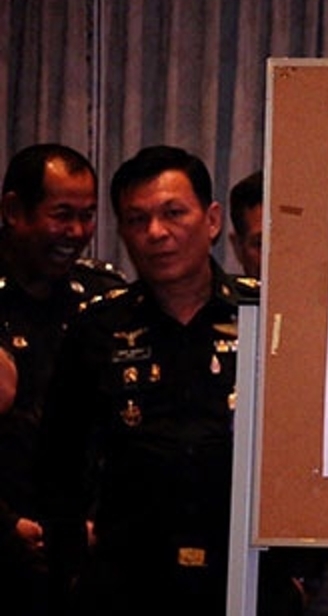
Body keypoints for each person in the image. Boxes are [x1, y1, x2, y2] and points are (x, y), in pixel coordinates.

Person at [37, 145, 258, 615]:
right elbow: (59, 468)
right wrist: (69, 570)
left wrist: (301, 571)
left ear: (212, 221)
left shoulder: (263, 316)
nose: (156, 233)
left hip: (246, 579)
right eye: (138, 220)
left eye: (173, 213)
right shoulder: (97, 329)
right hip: (129, 581)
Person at [227, 169, 328, 616]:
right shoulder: (223, 325)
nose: (277, 257)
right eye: (260, 243)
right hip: (238, 553)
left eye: (287, 239)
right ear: (237, 248)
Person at [0, 144, 125, 616]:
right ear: (14, 211)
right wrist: (6, 526)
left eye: (87, 216)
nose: (76, 232)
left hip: (87, 557)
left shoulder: (103, 297)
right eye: (61, 215)